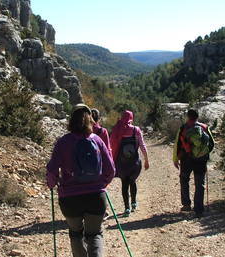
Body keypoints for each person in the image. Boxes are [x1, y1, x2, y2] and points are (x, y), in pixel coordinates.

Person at [46, 104, 115, 257]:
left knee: (75, 234)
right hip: (96, 196)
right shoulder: (97, 140)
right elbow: (111, 170)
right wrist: (101, 184)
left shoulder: (63, 142)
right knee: (94, 234)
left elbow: (51, 170)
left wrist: (52, 184)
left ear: (72, 120)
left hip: (70, 198)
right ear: (91, 120)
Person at [173, 109, 215, 218]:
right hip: (201, 159)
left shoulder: (183, 128)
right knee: (199, 182)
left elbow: (177, 144)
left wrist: (175, 159)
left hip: (186, 158)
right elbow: (212, 144)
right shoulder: (204, 127)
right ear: (197, 116)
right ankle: (199, 209)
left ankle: (186, 204)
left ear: (187, 117)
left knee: (184, 179)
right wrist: (204, 154)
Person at [110, 110, 149, 217]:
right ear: (132, 118)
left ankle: (127, 208)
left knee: (124, 184)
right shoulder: (135, 130)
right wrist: (146, 159)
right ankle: (134, 203)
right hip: (134, 163)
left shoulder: (117, 129)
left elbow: (111, 144)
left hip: (122, 164)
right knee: (133, 181)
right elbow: (142, 145)